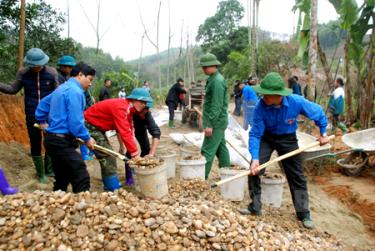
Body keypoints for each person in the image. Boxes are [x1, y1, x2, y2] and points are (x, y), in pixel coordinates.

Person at [238, 72, 329, 229]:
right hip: (267, 137)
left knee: (297, 176)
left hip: (288, 138)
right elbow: (255, 134)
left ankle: (303, 213)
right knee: (254, 170)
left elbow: (318, 112)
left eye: (267, 94)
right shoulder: (260, 107)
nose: (263, 97)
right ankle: (255, 206)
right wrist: (255, 158)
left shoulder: (296, 101)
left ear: (277, 95)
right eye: (263, 94)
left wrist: (323, 134)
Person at [35, 62, 96, 193]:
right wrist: (87, 138)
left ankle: (56, 201)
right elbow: (76, 123)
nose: (90, 84)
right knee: (80, 171)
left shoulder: (61, 88)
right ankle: (83, 204)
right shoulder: (76, 92)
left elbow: (42, 105)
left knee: (63, 175)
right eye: (90, 79)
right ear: (80, 75)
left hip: (52, 140)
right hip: (60, 142)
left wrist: (42, 120)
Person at [0, 48, 59, 183]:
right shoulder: (23, 73)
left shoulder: (51, 73)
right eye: (34, 66)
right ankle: (40, 174)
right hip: (31, 113)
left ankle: (49, 170)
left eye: (39, 65)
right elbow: (13, 89)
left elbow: (59, 92)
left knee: (50, 140)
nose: (36, 68)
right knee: (35, 141)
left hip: (49, 114)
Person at [84, 91, 150, 191]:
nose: (144, 105)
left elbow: (128, 129)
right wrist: (135, 154)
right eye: (142, 102)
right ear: (135, 100)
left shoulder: (128, 110)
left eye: (145, 103)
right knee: (108, 155)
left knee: (106, 153)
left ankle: (108, 184)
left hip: (97, 127)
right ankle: (112, 187)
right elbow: (124, 131)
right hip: (89, 125)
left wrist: (130, 150)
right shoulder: (121, 107)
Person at [199, 53, 231, 180]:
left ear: (213, 66)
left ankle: (201, 177)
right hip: (218, 122)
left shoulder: (217, 81)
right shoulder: (213, 78)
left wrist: (210, 125)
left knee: (207, 150)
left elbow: (216, 106)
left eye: (205, 67)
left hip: (216, 122)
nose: (203, 70)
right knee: (221, 148)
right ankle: (227, 173)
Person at [123, 88, 161, 185]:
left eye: (146, 110)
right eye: (142, 111)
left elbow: (156, 132)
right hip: (128, 129)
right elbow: (121, 131)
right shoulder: (128, 111)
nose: (143, 113)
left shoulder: (147, 114)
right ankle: (129, 177)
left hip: (140, 129)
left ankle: (143, 172)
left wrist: (151, 154)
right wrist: (120, 145)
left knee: (146, 149)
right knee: (130, 152)